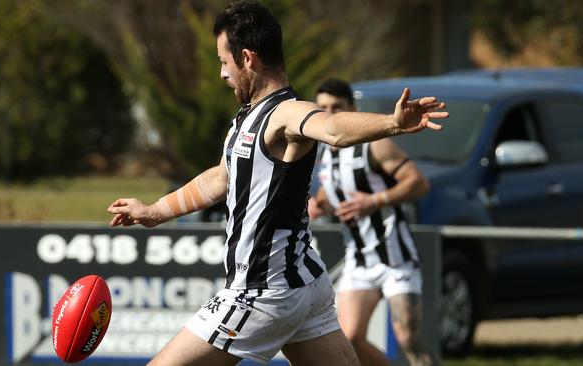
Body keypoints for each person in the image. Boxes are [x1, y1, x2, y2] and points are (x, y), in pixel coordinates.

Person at [107, 1, 448, 365]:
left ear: (248, 58)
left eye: (224, 61)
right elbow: (220, 177)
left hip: (262, 290)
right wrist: (156, 210)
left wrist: (392, 123)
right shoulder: (245, 120)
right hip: (304, 284)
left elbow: (331, 128)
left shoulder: (285, 112)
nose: (222, 73)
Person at [309, 78, 438, 365]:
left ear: (352, 109)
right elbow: (332, 192)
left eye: (336, 107)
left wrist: (375, 201)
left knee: (408, 339)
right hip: (360, 260)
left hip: (396, 257)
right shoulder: (324, 154)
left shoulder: (375, 146)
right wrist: (318, 203)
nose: (329, 113)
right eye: (323, 108)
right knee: (349, 338)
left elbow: (418, 183)